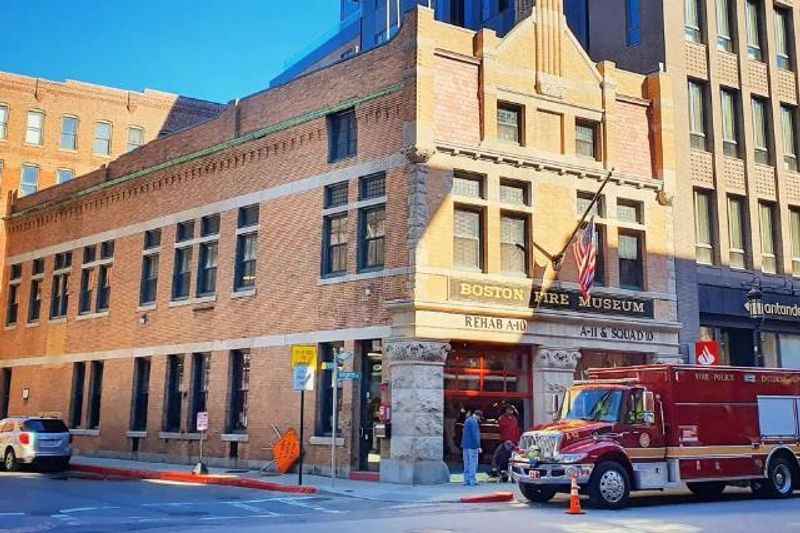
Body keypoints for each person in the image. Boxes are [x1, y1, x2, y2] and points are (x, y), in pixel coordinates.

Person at [461, 409, 482, 486]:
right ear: (477, 416)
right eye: (479, 418)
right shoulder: (474, 422)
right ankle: (472, 481)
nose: (479, 419)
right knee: (473, 463)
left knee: (466, 463)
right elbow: (475, 435)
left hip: (465, 445)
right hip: (472, 446)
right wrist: (478, 446)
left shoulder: (467, 420)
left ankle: (466, 480)